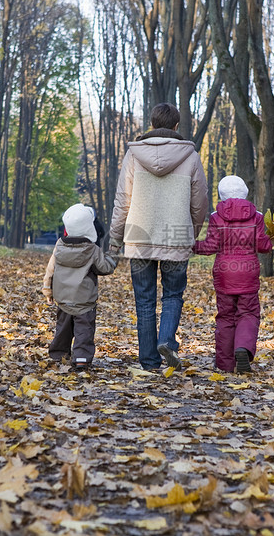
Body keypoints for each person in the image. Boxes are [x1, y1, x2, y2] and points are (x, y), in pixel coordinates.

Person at [109, 103, 208, 370]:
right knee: (173, 295)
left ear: (152, 125)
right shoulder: (190, 157)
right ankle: (166, 340)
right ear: (176, 127)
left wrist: (114, 240)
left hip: (139, 240)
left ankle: (150, 361)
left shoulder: (133, 156)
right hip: (176, 238)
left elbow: (123, 202)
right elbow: (199, 203)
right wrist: (192, 234)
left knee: (144, 301)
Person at [193, 176, 272, 373]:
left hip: (224, 273)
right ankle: (243, 347)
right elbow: (263, 246)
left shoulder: (215, 216)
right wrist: (270, 239)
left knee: (226, 317)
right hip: (248, 272)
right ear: (245, 192)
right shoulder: (257, 216)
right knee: (248, 312)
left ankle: (225, 364)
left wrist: (192, 246)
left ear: (221, 194)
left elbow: (211, 246)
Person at [42, 203, 117, 370]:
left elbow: (50, 269)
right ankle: (81, 357)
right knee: (84, 329)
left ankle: (59, 354)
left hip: (62, 298)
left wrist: (48, 289)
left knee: (63, 328)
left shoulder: (59, 245)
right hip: (84, 300)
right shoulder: (92, 249)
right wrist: (112, 256)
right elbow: (105, 268)